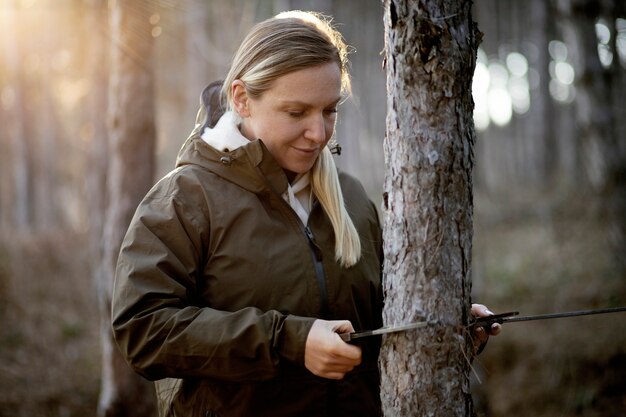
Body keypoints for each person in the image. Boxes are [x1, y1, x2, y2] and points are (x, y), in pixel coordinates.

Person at [111, 10, 500, 417]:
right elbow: (142, 330)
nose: (318, 133)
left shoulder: (350, 197)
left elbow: (377, 322)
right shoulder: (186, 199)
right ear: (243, 99)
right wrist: (289, 341)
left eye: (329, 110)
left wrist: (444, 331)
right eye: (297, 113)